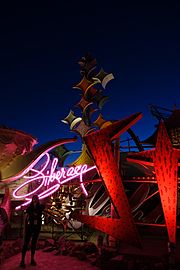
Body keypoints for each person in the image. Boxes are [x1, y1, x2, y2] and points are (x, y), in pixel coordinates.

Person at [20, 195, 45, 268]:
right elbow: (28, 211)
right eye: (34, 199)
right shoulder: (30, 207)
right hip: (30, 226)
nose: (35, 200)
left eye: (36, 199)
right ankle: (22, 260)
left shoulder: (39, 207)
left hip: (36, 227)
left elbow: (41, 209)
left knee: (34, 243)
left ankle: (32, 259)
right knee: (26, 242)